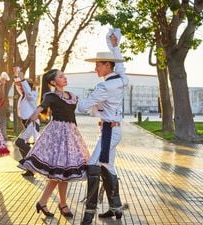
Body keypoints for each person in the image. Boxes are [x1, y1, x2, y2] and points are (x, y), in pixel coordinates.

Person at [19, 69, 90, 218]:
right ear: (53, 82)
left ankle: (45, 202)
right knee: (59, 173)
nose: (65, 78)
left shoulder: (72, 96)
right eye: (61, 76)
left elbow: (80, 110)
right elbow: (41, 107)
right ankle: (60, 204)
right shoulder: (50, 96)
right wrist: (30, 119)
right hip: (57, 135)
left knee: (62, 173)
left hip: (71, 134)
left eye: (64, 75)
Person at [78, 29, 129, 224]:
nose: (95, 69)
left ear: (108, 66)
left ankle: (89, 212)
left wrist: (73, 99)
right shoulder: (121, 79)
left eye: (98, 66)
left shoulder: (104, 86)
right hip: (111, 130)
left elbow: (83, 106)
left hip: (109, 132)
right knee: (108, 168)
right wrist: (114, 46)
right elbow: (121, 66)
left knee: (93, 166)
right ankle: (115, 208)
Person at [13, 67, 40, 177]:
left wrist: (22, 79)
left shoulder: (32, 95)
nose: (20, 87)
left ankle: (33, 160)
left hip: (32, 124)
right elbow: (18, 87)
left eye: (22, 85)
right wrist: (16, 75)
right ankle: (29, 169)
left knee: (19, 142)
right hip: (27, 125)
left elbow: (27, 91)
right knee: (21, 144)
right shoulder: (23, 95)